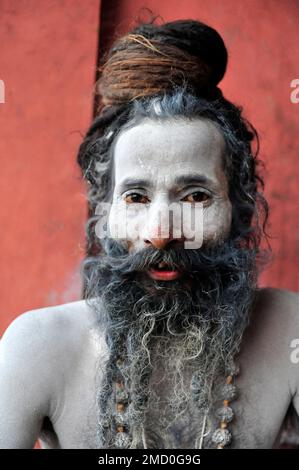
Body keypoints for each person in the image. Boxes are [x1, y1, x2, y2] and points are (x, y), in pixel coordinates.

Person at [0, 18, 299, 450]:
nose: (161, 233)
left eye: (196, 197)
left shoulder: (289, 331)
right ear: (104, 214)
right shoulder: (38, 347)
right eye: (136, 197)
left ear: (239, 208)